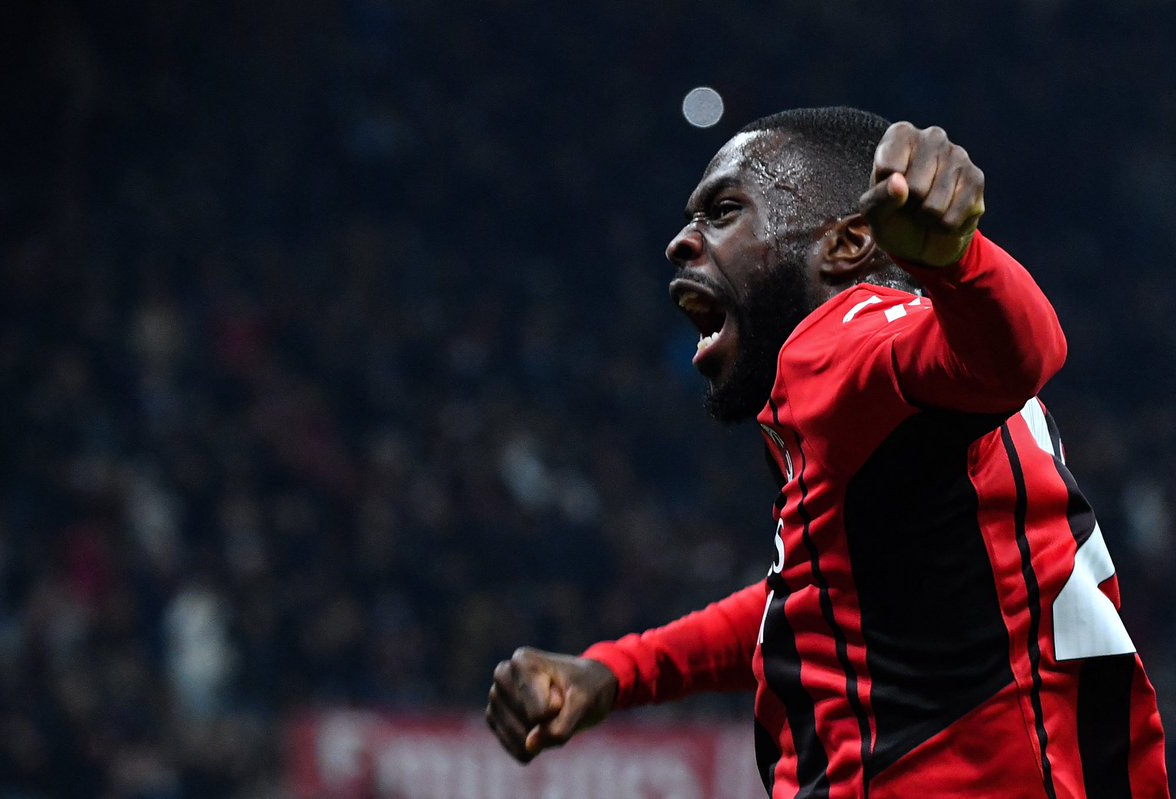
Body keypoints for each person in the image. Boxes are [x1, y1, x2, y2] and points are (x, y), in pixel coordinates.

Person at [484, 107, 1169, 798]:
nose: (680, 243)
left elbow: (1027, 353)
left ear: (847, 244)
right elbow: (813, 599)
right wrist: (618, 671)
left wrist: (962, 258)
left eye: (723, 211)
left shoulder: (839, 346)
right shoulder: (917, 397)